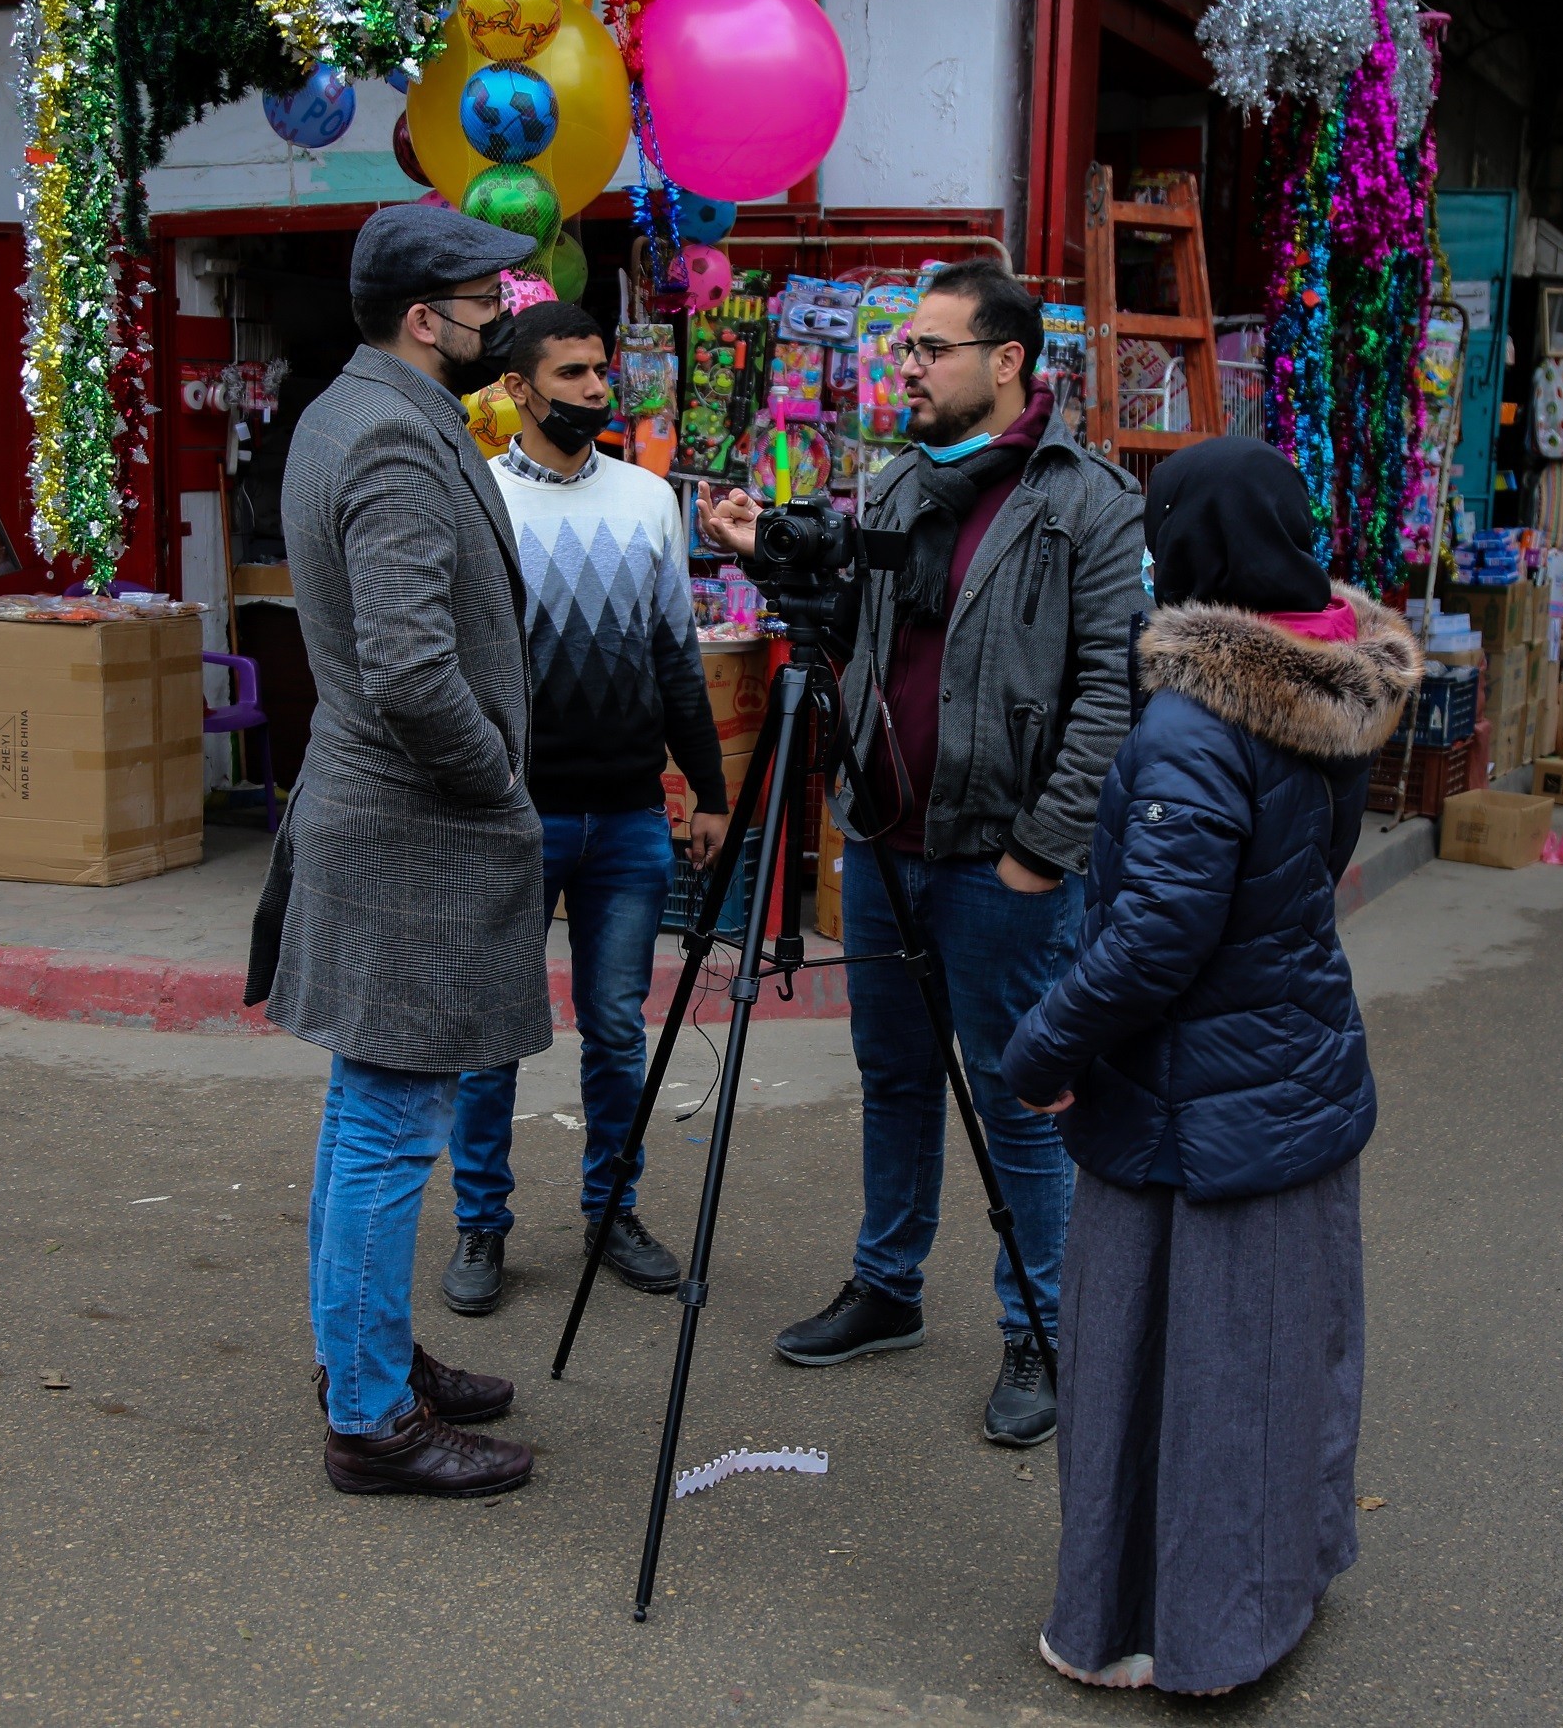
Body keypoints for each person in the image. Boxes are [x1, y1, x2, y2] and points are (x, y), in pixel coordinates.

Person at [698, 259, 1145, 1448]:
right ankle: (887, 1285)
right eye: (903, 348)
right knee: (895, 1077)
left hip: (1005, 861)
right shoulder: (897, 484)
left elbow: (1114, 690)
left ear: (1005, 360)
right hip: (884, 840)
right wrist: (769, 555)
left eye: (929, 349)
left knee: (1019, 1095)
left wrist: (1044, 851)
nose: (905, 367)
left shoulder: (1087, 501)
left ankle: (1040, 1328)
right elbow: (858, 637)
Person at [998, 437, 1419, 1696]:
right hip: (1292, 1068)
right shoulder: (1328, 679)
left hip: (1193, 1101)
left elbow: (1154, 939)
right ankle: (1264, 1599)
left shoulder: (1195, 719)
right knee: (1272, 1365)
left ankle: (1169, 1628)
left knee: (1179, 1372)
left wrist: (1041, 1047)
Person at [247, 205, 543, 1498]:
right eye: (486, 301)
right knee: (385, 1123)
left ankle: (362, 1356)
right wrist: (498, 787)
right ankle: (372, 1416)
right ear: (426, 320)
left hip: (377, 817)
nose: (503, 317)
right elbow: (413, 668)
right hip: (412, 830)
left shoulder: (352, 409)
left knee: (365, 1113)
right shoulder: (389, 434)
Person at [441, 302, 732, 1316]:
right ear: (519, 389)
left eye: (601, 370)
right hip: (510, 817)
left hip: (628, 816)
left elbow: (676, 660)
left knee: (615, 1028)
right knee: (492, 1036)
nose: (597, 390)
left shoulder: (649, 500)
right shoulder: (478, 496)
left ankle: (615, 1213)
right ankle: (481, 1223)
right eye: (573, 374)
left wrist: (709, 792)